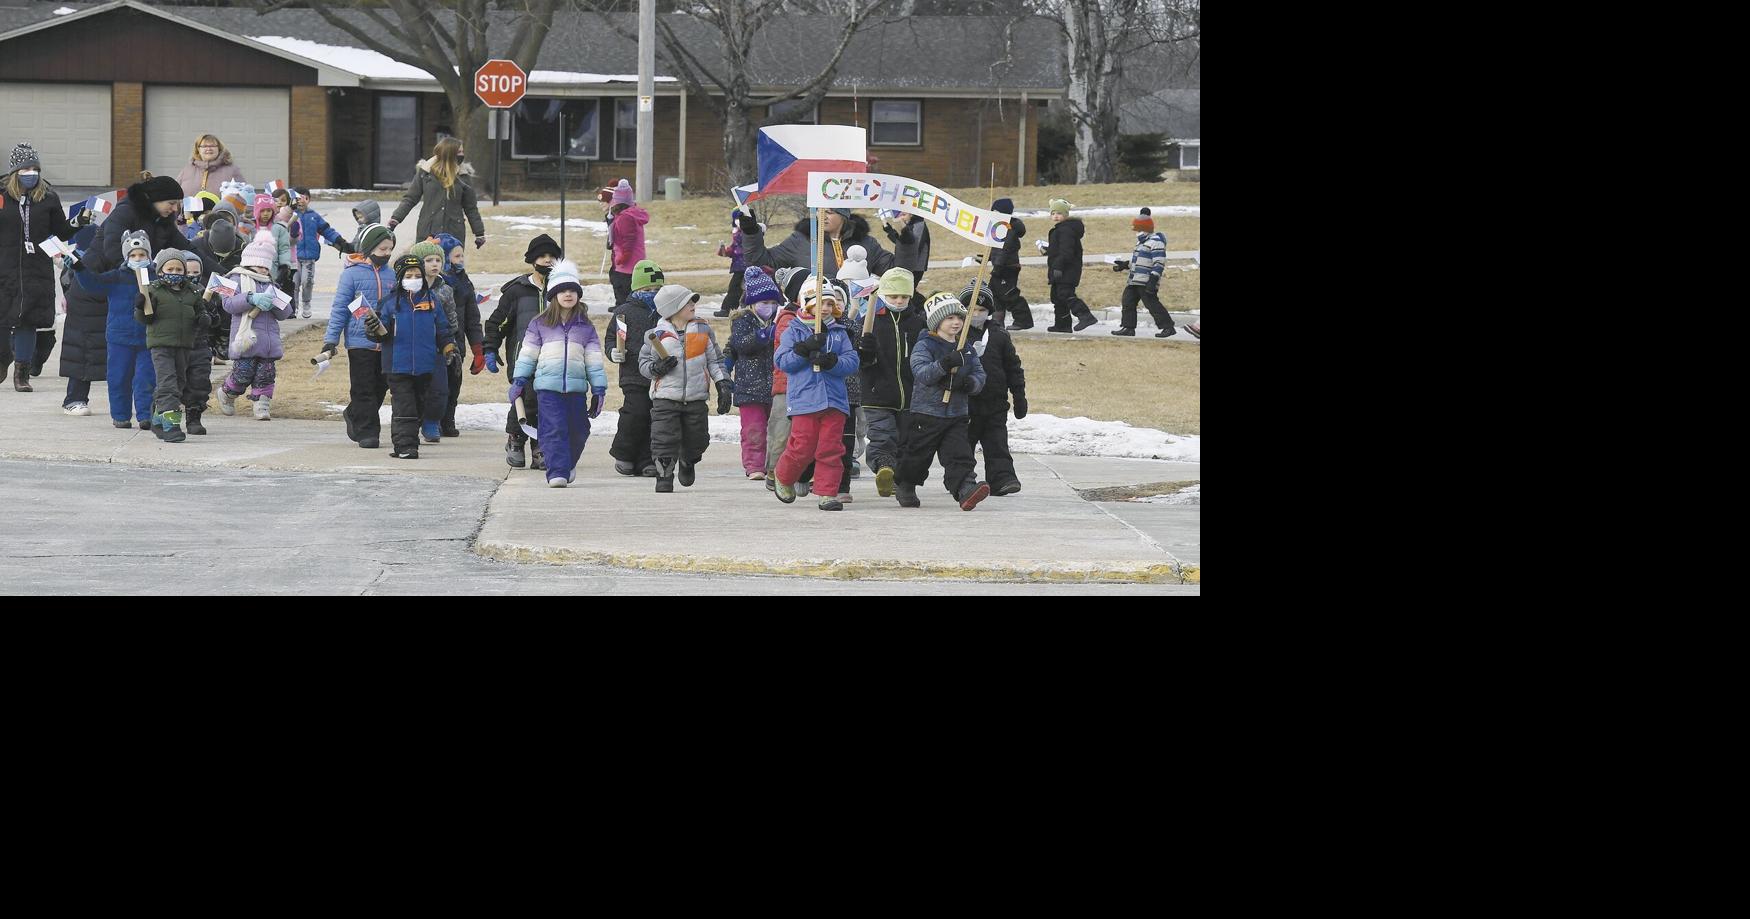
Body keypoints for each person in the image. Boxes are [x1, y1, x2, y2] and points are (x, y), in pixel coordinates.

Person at [508, 260, 608, 487]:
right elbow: (527, 355)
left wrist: (599, 389)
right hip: (548, 389)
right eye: (562, 290)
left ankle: (567, 464)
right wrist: (519, 381)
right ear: (553, 295)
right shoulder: (539, 324)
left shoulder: (586, 327)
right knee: (553, 429)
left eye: (573, 289)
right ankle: (557, 472)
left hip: (575, 389)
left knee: (579, 431)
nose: (568, 294)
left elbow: (593, 361)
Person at [638, 285, 729, 494]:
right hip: (665, 397)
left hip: (696, 397)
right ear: (673, 308)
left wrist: (722, 383)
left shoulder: (703, 329)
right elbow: (643, 364)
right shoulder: (655, 335)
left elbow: (715, 361)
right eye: (688, 302)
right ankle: (664, 476)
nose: (693, 305)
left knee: (698, 440)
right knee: (663, 439)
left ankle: (688, 460)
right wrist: (655, 368)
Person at [1, 143, 76, 390]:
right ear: (15, 171)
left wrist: (79, 222)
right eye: (26, 168)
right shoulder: (1, 196)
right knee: (4, 317)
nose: (31, 173)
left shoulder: (48, 197)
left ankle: (21, 374)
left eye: (35, 168)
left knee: (28, 320)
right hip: (5, 267)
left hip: (36, 269)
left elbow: (61, 231)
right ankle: (3, 361)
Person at [388, 137, 485, 248]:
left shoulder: (463, 177)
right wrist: (396, 218)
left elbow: (471, 208)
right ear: (448, 153)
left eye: (462, 152)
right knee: (426, 262)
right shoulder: (425, 173)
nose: (462, 155)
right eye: (459, 152)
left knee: (452, 264)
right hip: (428, 230)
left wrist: (479, 233)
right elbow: (410, 198)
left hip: (454, 232)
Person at [1110, 207, 1176, 338]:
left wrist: (1153, 280)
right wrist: (1124, 265)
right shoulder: (1141, 243)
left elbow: (1159, 263)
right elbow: (1139, 262)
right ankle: (1128, 328)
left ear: (1146, 229)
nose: (1137, 232)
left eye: (1139, 230)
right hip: (1134, 279)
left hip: (1146, 281)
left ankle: (1168, 327)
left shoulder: (1156, 242)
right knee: (1127, 302)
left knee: (1152, 305)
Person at [1039, 198, 1098, 332]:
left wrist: (1058, 266)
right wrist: (1048, 251)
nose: (1056, 216)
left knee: (1065, 293)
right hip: (1059, 268)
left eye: (1059, 213)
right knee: (1057, 297)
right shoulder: (1060, 229)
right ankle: (1062, 325)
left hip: (1066, 269)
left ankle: (1085, 316)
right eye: (1053, 213)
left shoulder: (1066, 230)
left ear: (1066, 215)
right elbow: (1060, 249)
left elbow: (1067, 252)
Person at [176, 135, 247, 197]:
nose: (208, 149)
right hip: (188, 212)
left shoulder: (232, 170)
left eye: (212, 146)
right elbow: (175, 193)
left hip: (220, 212)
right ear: (198, 149)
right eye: (204, 146)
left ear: (219, 149)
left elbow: (244, 195)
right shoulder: (187, 170)